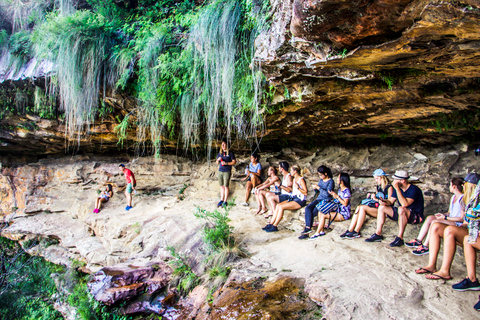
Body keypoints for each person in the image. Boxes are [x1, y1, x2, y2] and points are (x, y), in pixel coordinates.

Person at [415, 173, 479, 280]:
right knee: (435, 226)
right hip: (468, 230)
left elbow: (465, 220)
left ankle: (445, 271)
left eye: (465, 184)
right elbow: (467, 221)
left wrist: (449, 220)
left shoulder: (472, 200)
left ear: (472, 186)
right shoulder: (468, 200)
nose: (463, 186)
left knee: (450, 230)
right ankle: (431, 265)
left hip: (473, 233)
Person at [406, 177, 465, 255]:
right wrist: (443, 215)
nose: (449, 187)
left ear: (454, 186)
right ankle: (418, 240)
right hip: (450, 219)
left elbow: (461, 218)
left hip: (457, 223)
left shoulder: (463, 199)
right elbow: (449, 212)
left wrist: (445, 218)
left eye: (450, 185)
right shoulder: (453, 197)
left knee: (435, 222)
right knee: (430, 218)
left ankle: (426, 246)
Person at [365, 169, 424, 247]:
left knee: (401, 209)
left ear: (402, 180)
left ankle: (400, 238)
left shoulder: (414, 189)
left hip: (415, 216)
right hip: (402, 214)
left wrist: (397, 189)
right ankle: (378, 233)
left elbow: (404, 204)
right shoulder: (397, 189)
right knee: (382, 207)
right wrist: (384, 202)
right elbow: (391, 201)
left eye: (396, 179)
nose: (394, 181)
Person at [340, 168, 394, 239]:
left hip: (384, 210)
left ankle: (356, 231)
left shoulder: (389, 188)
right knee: (359, 207)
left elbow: (390, 202)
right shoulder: (379, 187)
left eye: (377, 179)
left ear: (382, 178)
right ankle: (350, 230)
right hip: (378, 208)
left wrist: (376, 199)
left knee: (362, 208)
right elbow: (377, 198)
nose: (376, 181)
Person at [263, 165, 308, 232]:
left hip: (300, 200)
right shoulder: (294, 179)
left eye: (291, 170)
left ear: (295, 171)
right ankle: (271, 224)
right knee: (278, 205)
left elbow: (305, 192)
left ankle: (275, 226)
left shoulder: (301, 180)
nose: (290, 172)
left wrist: (298, 187)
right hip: (294, 198)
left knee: (281, 207)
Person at [309, 172, 352, 239]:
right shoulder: (340, 190)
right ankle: (322, 231)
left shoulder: (346, 191)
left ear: (342, 180)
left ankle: (317, 233)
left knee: (323, 215)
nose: (337, 179)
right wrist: (333, 195)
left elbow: (345, 203)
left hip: (343, 213)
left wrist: (337, 196)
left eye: (338, 178)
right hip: (338, 210)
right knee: (320, 212)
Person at [300, 165, 334, 236]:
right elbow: (318, 191)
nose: (320, 177)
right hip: (319, 199)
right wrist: (315, 188)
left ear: (326, 173)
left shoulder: (331, 181)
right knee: (308, 208)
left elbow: (327, 194)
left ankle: (307, 230)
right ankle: (308, 228)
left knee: (313, 212)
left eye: (321, 175)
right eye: (319, 175)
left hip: (326, 200)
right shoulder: (321, 180)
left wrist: (318, 188)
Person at [216, 139, 236, 208]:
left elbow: (234, 162)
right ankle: (221, 200)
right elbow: (216, 162)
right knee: (221, 186)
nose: (223, 146)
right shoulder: (220, 153)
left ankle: (225, 201)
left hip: (227, 171)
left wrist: (226, 163)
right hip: (220, 170)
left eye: (224, 144)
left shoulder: (230, 153)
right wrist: (218, 160)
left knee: (226, 186)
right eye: (222, 145)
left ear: (227, 145)